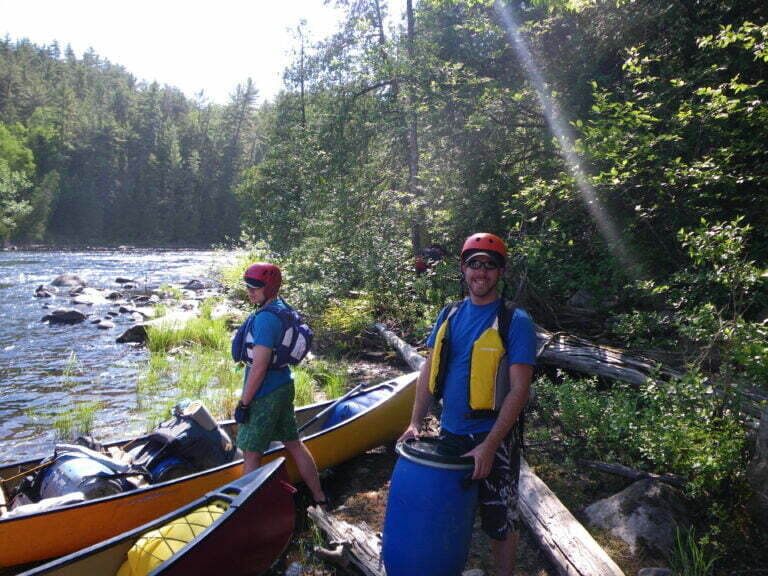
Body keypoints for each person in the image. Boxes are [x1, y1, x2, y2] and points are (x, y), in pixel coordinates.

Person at [398, 232, 536, 576]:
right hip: (451, 433)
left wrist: (489, 447)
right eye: (474, 264)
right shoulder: (450, 313)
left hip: (493, 439)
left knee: (499, 522)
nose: (481, 273)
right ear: (463, 268)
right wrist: (415, 422)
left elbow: (519, 389)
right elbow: (429, 372)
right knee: (443, 515)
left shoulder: (514, 320)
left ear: (500, 273)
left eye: (490, 266)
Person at [234, 262, 327, 506]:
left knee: (251, 453)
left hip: (265, 392)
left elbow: (260, 366)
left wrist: (244, 403)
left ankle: (247, 511)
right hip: (284, 384)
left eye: (256, 287)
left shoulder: (265, 319)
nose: (250, 291)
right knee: (294, 443)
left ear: (270, 287)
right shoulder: (280, 307)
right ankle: (319, 496)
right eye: (248, 286)